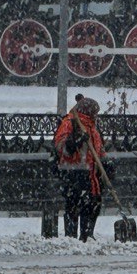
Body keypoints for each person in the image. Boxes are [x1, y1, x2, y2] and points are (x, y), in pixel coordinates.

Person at [53, 95, 107, 241]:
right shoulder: (70, 123)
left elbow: (99, 149)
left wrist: (105, 162)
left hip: (91, 173)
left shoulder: (92, 128)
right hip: (72, 172)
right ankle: (71, 236)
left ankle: (87, 235)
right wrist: (74, 142)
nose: (96, 116)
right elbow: (61, 147)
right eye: (94, 112)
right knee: (73, 204)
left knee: (92, 203)